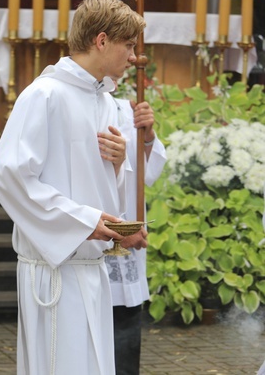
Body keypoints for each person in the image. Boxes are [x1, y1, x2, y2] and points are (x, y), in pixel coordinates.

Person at [0, 0, 146, 374]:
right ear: (102, 41)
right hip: (54, 271)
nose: (134, 56)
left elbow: (98, 185)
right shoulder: (44, 95)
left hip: (91, 270)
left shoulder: (106, 102)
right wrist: (85, 221)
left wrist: (119, 170)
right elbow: (8, 176)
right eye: (129, 46)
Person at [105, 97, 166, 375]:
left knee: (125, 329)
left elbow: (150, 172)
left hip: (128, 225)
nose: (131, 57)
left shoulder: (124, 108)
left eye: (133, 49)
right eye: (127, 49)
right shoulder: (67, 100)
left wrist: (148, 135)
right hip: (92, 234)